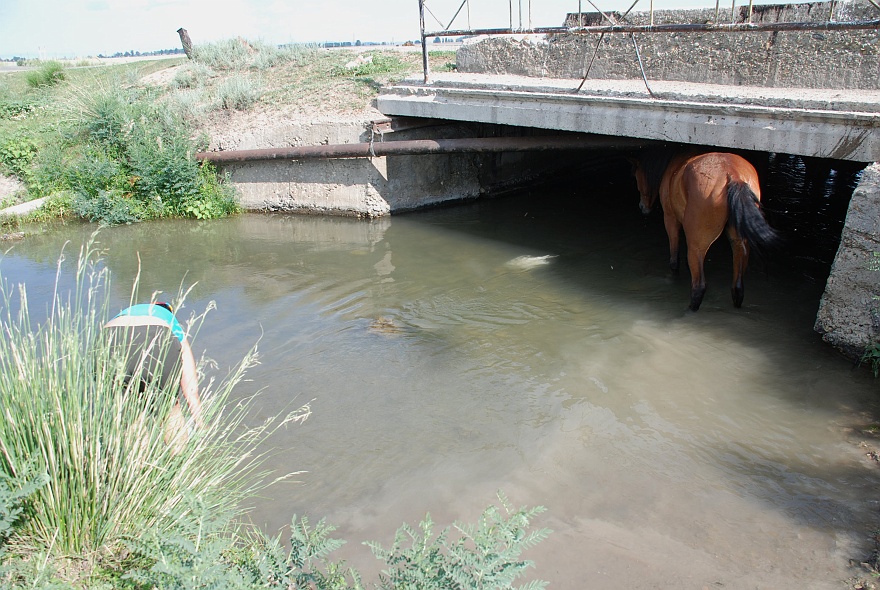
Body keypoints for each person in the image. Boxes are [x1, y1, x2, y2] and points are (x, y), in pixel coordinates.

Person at [104, 302, 203, 448]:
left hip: (109, 338)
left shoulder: (123, 314)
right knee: (169, 409)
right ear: (169, 311)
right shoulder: (169, 322)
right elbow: (191, 391)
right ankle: (179, 462)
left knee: (130, 415)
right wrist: (201, 424)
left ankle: (139, 467)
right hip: (157, 334)